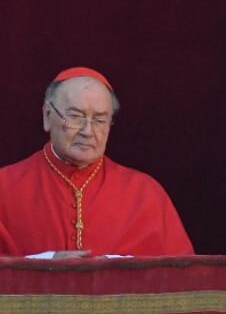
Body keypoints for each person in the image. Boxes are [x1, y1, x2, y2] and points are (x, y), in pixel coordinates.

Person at [0, 67, 193, 257]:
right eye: (76, 116)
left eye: (100, 120)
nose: (88, 131)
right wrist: (45, 262)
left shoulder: (145, 193)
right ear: (47, 116)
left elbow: (181, 276)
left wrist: (117, 270)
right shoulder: (5, 187)